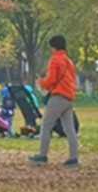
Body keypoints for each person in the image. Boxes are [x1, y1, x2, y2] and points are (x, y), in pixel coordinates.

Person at [30, 35, 79, 167]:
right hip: (68, 96)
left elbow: (52, 78)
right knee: (70, 129)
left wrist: (42, 83)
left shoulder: (55, 60)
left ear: (53, 47)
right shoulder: (68, 61)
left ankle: (42, 155)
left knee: (45, 125)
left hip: (58, 95)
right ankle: (73, 157)